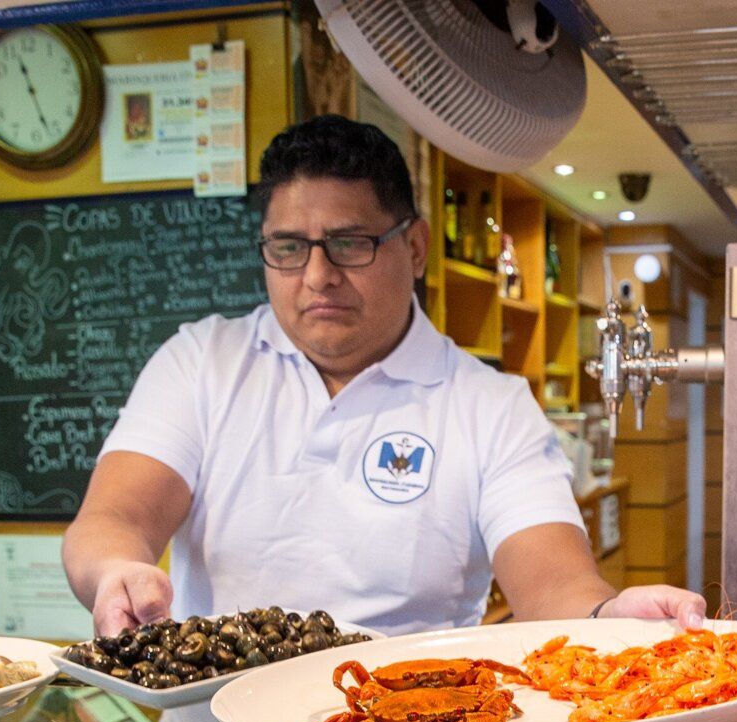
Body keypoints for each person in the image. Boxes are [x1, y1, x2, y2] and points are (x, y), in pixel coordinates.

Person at [63, 115, 704, 638]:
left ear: (416, 247)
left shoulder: (490, 406)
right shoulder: (201, 361)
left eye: (349, 244)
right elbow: (113, 518)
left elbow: (555, 585)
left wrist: (606, 620)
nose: (317, 276)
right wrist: (117, 570)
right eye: (288, 248)